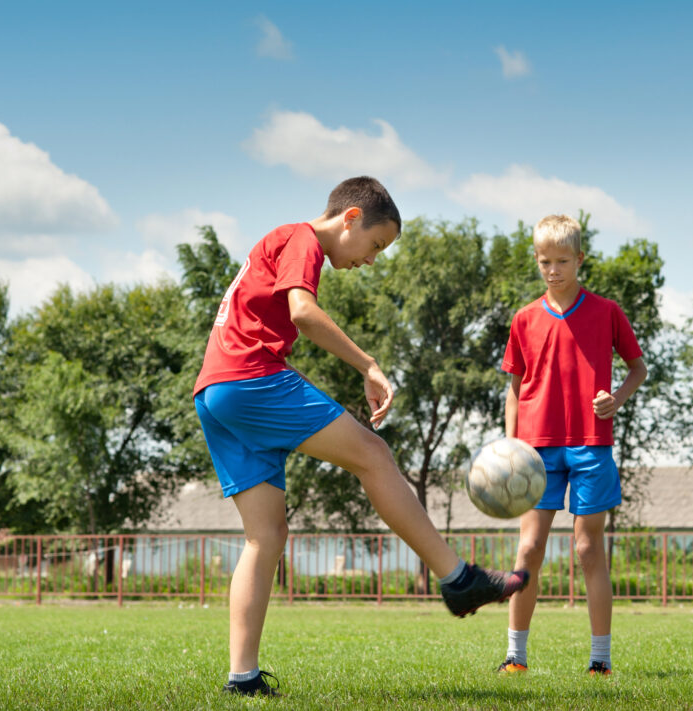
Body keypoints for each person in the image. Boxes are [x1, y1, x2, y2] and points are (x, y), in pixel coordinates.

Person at [192, 176, 529, 697]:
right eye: (375, 245)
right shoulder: (301, 238)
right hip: (250, 379)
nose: (371, 260)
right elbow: (302, 313)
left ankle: (243, 678)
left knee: (265, 537)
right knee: (373, 454)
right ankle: (458, 579)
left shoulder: (279, 242)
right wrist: (368, 365)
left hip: (215, 394)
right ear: (349, 218)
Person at [497, 214, 647, 677]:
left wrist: (615, 399)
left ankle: (599, 661)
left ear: (580, 260)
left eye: (562, 260)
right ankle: (515, 657)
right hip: (536, 450)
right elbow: (514, 388)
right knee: (529, 551)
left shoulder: (607, 312)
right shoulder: (524, 319)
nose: (553, 270)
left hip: (591, 445)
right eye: (545, 261)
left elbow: (638, 369)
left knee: (587, 549)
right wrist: (510, 445)